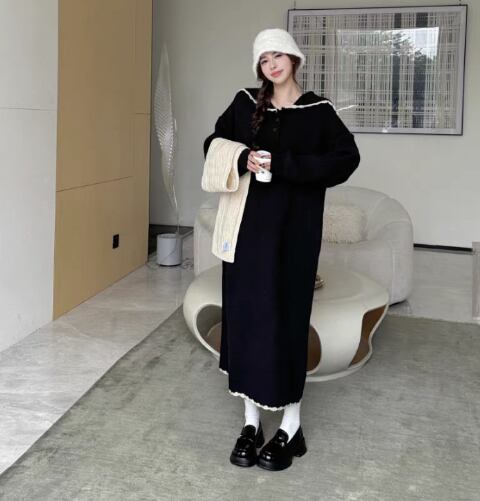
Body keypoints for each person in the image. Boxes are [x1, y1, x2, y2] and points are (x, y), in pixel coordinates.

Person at [203, 28, 361, 471]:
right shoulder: (244, 104)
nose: (271, 65)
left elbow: (346, 159)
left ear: (294, 58)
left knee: (286, 322)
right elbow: (212, 144)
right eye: (263, 59)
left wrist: (287, 165)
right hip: (245, 232)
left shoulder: (318, 111)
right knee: (246, 319)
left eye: (278, 56)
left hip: (294, 235)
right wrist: (243, 158)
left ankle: (291, 425)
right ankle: (251, 422)